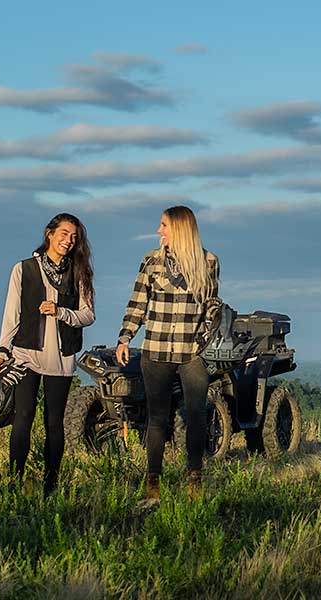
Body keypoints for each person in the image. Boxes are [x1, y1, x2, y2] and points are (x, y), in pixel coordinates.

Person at [117, 205, 220, 501]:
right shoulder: (151, 260)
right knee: (157, 418)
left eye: (164, 225)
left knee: (197, 415)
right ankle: (153, 487)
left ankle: (194, 484)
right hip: (156, 350)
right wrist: (125, 337)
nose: (158, 230)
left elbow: (211, 303)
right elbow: (138, 303)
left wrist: (211, 326)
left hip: (192, 352)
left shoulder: (209, 262)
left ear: (180, 228)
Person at [0, 213, 96, 494]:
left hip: (61, 357)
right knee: (23, 416)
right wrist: (2, 352)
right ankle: (14, 484)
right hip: (26, 354)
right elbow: (11, 315)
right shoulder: (23, 269)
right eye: (64, 233)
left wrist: (61, 312)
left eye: (74, 237)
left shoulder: (79, 273)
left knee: (54, 422)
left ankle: (51, 487)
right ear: (49, 233)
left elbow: (88, 315)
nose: (69, 240)